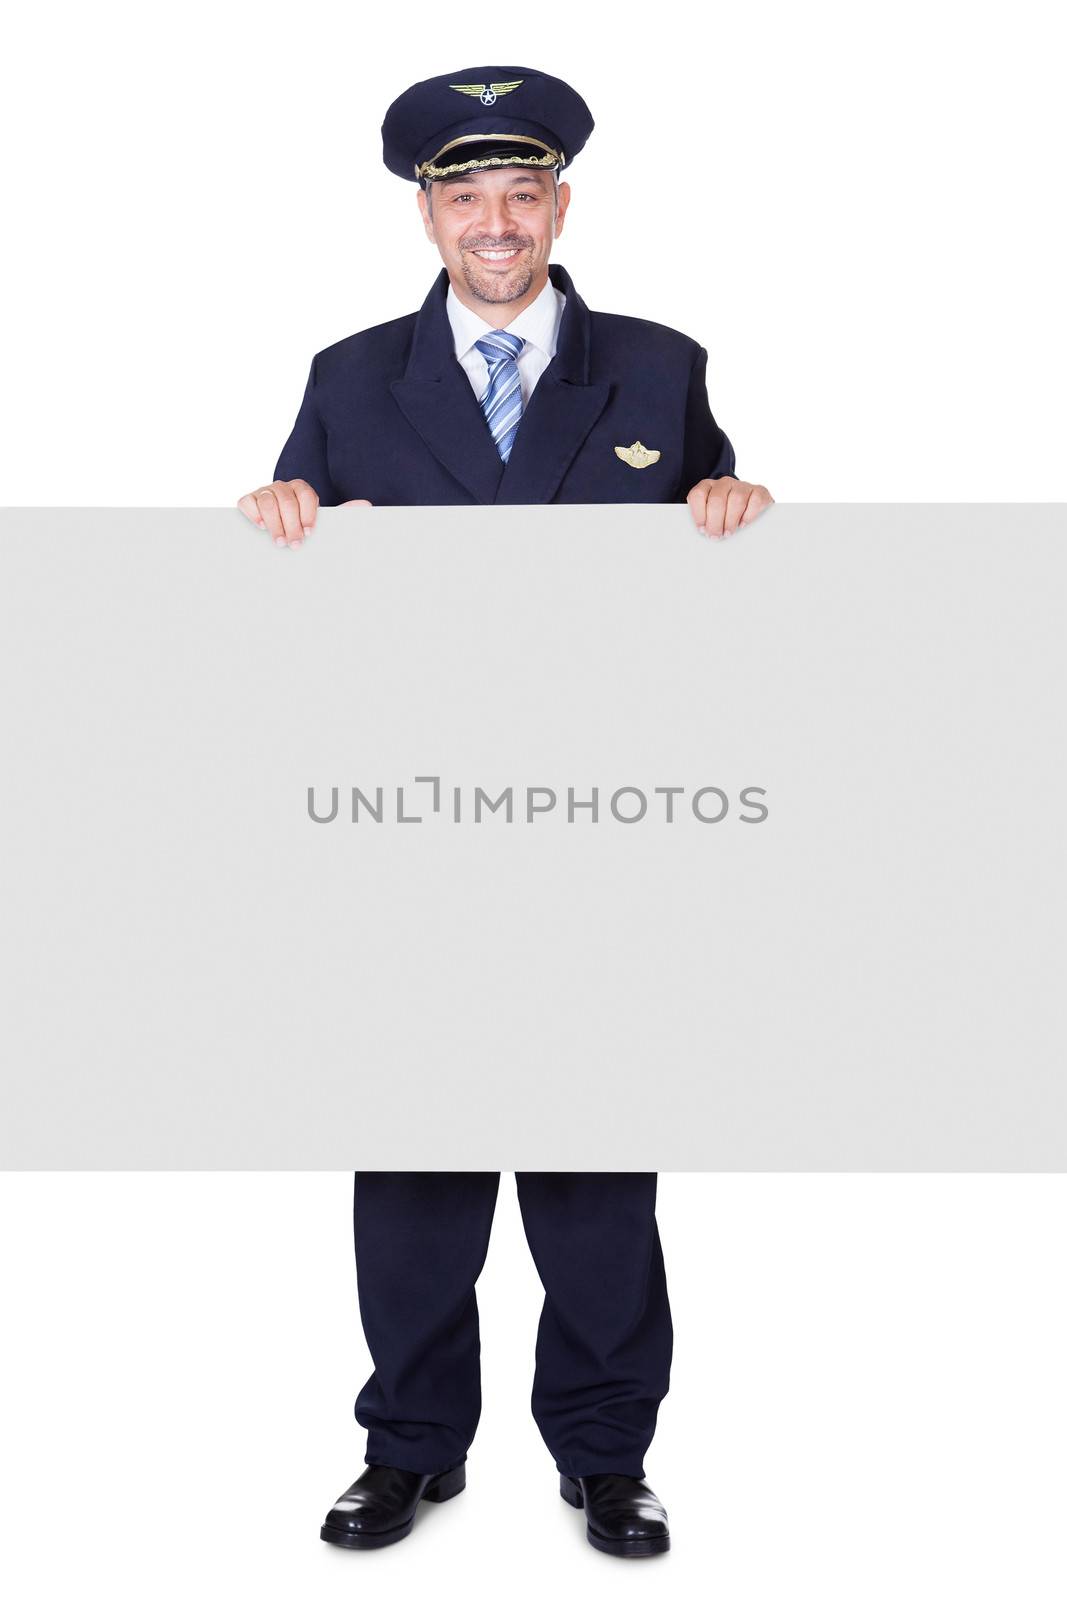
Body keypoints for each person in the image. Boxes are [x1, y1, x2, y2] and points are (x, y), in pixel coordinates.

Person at [238, 65, 773, 1559]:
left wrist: (734, 512)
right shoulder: (350, 380)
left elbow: (726, 580)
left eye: (519, 193)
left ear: (561, 205)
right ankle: (411, 1448)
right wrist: (276, 524)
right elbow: (290, 598)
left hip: (604, 840)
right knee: (415, 1174)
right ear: (427, 212)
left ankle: (606, 1458)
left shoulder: (660, 369)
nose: (494, 223)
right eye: (462, 196)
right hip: (414, 846)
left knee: (596, 1173)